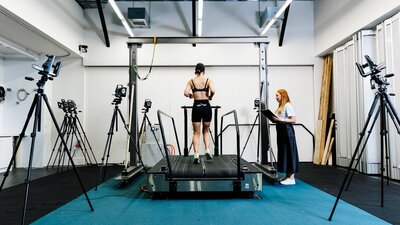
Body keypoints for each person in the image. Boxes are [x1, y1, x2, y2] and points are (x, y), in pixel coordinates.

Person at [184, 63, 215, 164]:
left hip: (196, 107)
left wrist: (190, 95)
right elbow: (213, 90)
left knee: (196, 133)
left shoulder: (191, 81)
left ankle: (196, 154)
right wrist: (210, 96)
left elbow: (185, 92)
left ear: (196, 70)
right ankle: (207, 149)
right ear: (203, 70)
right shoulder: (207, 80)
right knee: (206, 131)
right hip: (206, 106)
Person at [273, 89, 299, 185]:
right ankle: (287, 176)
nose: (275, 98)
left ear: (282, 96)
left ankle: (292, 178)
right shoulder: (281, 106)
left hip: (287, 132)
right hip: (282, 132)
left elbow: (294, 120)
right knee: (284, 152)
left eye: (277, 95)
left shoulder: (288, 105)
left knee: (289, 152)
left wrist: (281, 119)